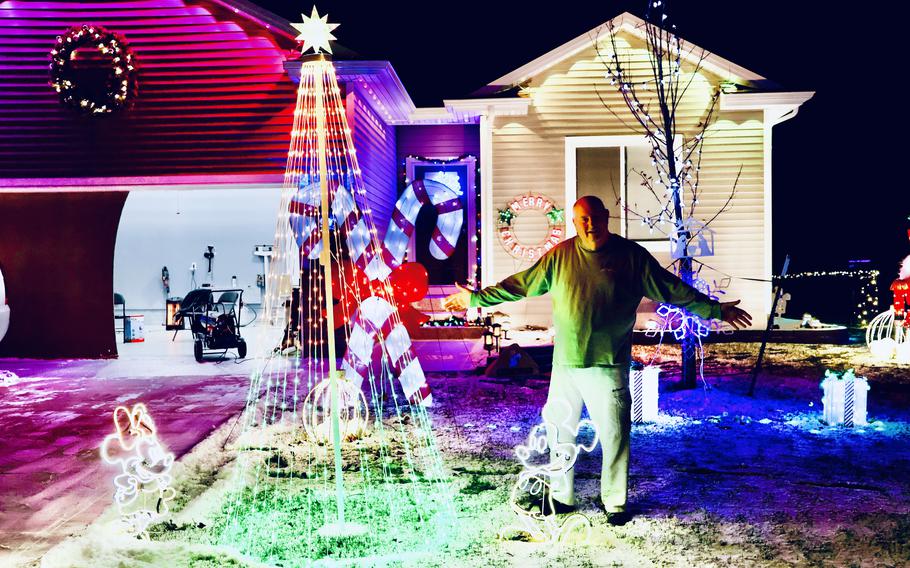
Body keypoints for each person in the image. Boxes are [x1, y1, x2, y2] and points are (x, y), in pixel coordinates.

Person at [443, 196, 752, 524]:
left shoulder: (631, 258)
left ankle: (615, 503)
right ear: (575, 223)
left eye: (594, 217)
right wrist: (475, 298)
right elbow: (520, 285)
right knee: (561, 433)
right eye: (582, 219)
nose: (589, 224)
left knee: (615, 436)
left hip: (608, 365)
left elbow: (672, 289)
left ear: (606, 217)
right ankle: (562, 498)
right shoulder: (560, 257)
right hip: (565, 365)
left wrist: (716, 309)